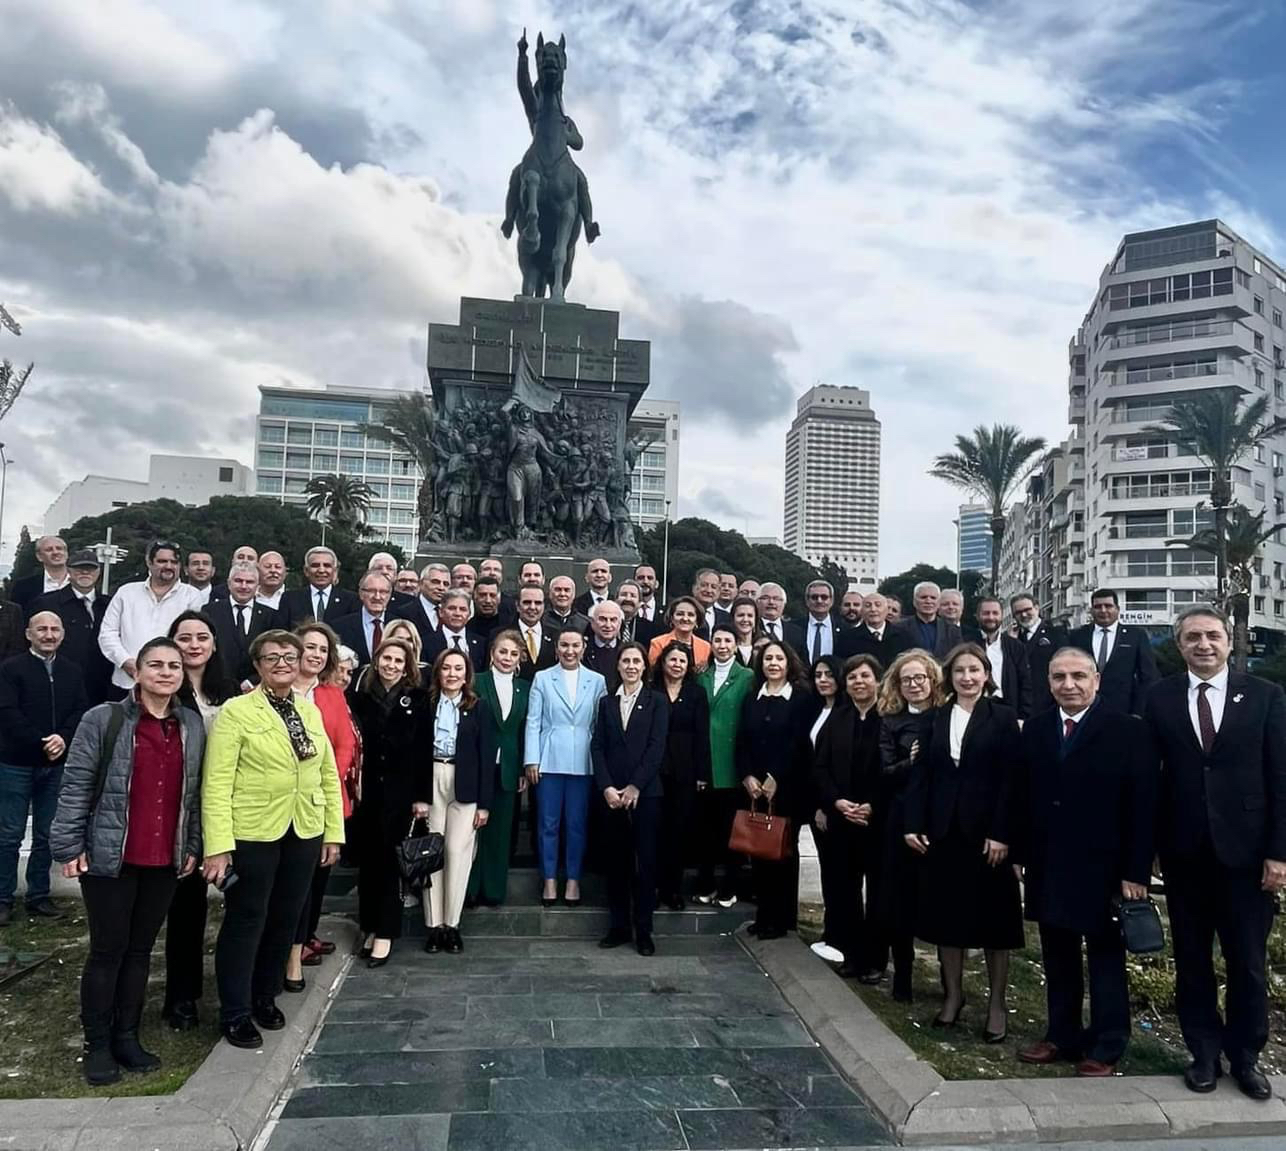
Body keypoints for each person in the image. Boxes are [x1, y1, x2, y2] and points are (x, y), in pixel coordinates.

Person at [1144, 605, 1286, 1100]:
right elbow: (1150, 779)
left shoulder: (1265, 696)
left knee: (1247, 962)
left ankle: (1246, 1057)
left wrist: (1279, 853)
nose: (1203, 645)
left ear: (1228, 641)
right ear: (1179, 645)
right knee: (1192, 960)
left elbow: (1281, 777)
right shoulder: (1159, 697)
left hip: (1248, 857)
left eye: (1212, 636)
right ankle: (1203, 1053)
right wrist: (1150, 849)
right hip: (1184, 854)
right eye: (1192, 638)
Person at [50, 637, 204, 1085]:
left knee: (140, 951)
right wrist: (68, 846)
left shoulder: (190, 725)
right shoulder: (104, 719)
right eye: (156, 664)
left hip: (163, 859)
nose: (166, 673)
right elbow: (77, 784)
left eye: (174, 666)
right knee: (107, 951)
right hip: (110, 857)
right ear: (138, 670)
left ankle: (126, 1036)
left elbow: (194, 794)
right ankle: (97, 1044)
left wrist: (192, 845)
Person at [1014, 647, 1157, 1077]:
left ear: (1096, 680)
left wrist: (1136, 870)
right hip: (1049, 862)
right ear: (1049, 682)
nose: (1069, 685)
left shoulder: (1128, 730)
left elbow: (1143, 805)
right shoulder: (1037, 729)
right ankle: (1062, 1035)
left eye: (1078, 676)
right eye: (1059, 677)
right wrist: (1021, 852)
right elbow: (1022, 794)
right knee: (1057, 955)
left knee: (1105, 958)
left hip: (1105, 867)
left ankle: (1107, 1045)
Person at [201, 630, 344, 1049]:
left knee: (285, 917)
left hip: (304, 829)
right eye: (272, 658)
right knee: (247, 918)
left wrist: (332, 831)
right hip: (254, 830)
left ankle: (264, 995)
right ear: (258, 665)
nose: (282, 664)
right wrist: (218, 846)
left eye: (289, 657)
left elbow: (327, 774)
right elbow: (217, 781)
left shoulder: (308, 711)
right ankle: (235, 1010)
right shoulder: (237, 711)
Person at [903, 643, 1023, 1040]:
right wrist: (913, 823)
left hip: (988, 836)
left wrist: (1002, 833)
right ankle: (953, 996)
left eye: (974, 670)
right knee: (947, 920)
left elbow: (1011, 780)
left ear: (986, 675)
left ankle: (997, 1005)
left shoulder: (1002, 718)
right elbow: (921, 774)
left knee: (995, 923)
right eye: (959, 671)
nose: (967, 677)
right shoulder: (935, 718)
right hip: (944, 834)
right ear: (949, 677)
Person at [160, 611, 237, 1031]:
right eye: (184, 637)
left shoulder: (230, 691)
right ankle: (182, 996)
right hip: (183, 810)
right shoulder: (165, 691)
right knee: (185, 908)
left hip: (227, 808)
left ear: (213, 644)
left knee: (237, 905)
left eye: (202, 637)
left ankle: (235, 990)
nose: (193, 645)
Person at [0, 611, 88, 924]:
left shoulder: (72, 670)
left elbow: (80, 709)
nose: (48, 635)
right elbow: (7, 712)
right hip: (16, 763)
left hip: (56, 766)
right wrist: (41, 741)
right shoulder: (10, 669)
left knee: (46, 835)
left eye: (54, 629)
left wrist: (63, 738)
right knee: (9, 835)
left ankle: (38, 896)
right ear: (28, 634)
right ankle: (2, 898)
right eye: (42, 629)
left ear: (62, 634)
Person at [347, 637, 430, 966]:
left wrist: (422, 797)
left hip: (401, 796)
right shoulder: (359, 697)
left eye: (398, 661)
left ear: (407, 666)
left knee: (390, 866)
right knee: (368, 865)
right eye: (386, 659)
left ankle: (385, 932)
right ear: (376, 661)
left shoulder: (418, 700)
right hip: (366, 795)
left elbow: (424, 749)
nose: (391, 666)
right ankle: (369, 926)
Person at [287, 622, 358, 985]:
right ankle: (291, 947)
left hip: (324, 796)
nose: (315, 655)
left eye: (322, 650)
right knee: (294, 881)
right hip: (283, 799)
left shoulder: (332, 694)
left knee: (319, 875)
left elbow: (345, 744)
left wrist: (327, 778)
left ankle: (306, 936)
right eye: (310, 647)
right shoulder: (275, 689)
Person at [875, 649, 944, 1002]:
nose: (914, 685)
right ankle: (902, 974)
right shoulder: (890, 721)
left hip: (940, 818)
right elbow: (884, 772)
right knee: (898, 900)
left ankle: (950, 984)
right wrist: (910, 761)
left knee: (940, 899)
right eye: (907, 680)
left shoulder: (947, 716)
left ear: (932, 680)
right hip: (900, 818)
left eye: (920, 678)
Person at [593, 642, 668, 955]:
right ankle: (619, 926)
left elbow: (656, 747)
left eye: (637, 661)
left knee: (645, 863)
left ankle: (644, 930)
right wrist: (607, 787)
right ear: (618, 665)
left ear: (644, 666)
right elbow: (598, 746)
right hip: (612, 795)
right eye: (626, 661)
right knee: (616, 862)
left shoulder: (657, 701)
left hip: (645, 794)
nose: (631, 666)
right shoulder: (606, 702)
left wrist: (635, 786)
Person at [813, 654, 884, 979]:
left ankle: (875, 960)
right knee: (846, 891)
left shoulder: (889, 717)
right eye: (852, 677)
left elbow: (895, 769)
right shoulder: (838, 718)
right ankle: (853, 954)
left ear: (877, 680)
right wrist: (837, 802)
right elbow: (821, 766)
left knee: (878, 893)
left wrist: (872, 804)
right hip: (843, 817)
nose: (858, 682)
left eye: (865, 676)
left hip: (877, 819)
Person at [524, 629, 607, 906]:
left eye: (575, 645)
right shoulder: (543, 678)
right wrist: (532, 759)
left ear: (583, 648)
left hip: (584, 760)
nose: (570, 651)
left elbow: (601, 722)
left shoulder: (597, 680)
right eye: (564, 645)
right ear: (556, 648)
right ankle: (549, 878)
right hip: (549, 759)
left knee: (576, 824)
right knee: (548, 823)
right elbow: (533, 721)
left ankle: (573, 879)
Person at [738, 640, 813, 939]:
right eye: (768, 658)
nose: (773, 663)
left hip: (786, 789)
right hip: (755, 789)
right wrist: (747, 775)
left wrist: (776, 777)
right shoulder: (752, 697)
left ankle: (782, 920)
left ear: (788, 662)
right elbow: (742, 739)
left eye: (779, 658)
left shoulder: (801, 698)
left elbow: (799, 743)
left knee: (783, 854)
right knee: (759, 853)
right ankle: (764, 915)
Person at [421, 647, 494, 954]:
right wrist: (418, 795)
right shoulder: (426, 704)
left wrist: (484, 804)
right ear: (438, 672)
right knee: (433, 852)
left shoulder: (478, 707)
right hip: (432, 777)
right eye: (446, 668)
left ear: (467, 675)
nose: (452, 674)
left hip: (465, 784)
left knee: (457, 852)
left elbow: (487, 756)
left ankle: (452, 924)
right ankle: (434, 925)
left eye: (458, 669)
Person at [467, 629, 530, 908]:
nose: (507, 657)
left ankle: (493, 890)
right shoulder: (476, 681)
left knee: (500, 832)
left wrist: (522, 768)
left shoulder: (525, 687)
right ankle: (469, 889)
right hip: (477, 766)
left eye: (513, 654)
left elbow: (524, 730)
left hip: (508, 768)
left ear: (520, 659)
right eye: (502, 651)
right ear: (492, 653)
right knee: (471, 831)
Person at [695, 623, 755, 906]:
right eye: (717, 640)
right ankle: (706, 885)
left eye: (727, 641)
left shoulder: (747, 676)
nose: (722, 646)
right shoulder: (701, 676)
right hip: (707, 762)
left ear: (735, 644)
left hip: (733, 762)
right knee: (706, 831)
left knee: (732, 831)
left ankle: (730, 888)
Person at [98, 540, 204, 695]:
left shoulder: (192, 596)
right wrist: (125, 662)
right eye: (162, 561)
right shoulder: (126, 593)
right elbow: (107, 634)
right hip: (126, 683)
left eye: (174, 562)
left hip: (170, 684)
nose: (168, 566)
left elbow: (192, 639)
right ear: (149, 562)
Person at [653, 641, 712, 910]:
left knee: (678, 831)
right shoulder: (651, 690)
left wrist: (702, 773)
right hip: (655, 769)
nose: (677, 665)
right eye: (672, 659)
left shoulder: (696, 693)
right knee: (655, 830)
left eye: (682, 661)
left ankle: (672, 890)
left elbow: (702, 735)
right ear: (663, 662)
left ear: (688, 666)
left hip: (686, 771)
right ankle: (653, 888)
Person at [32, 548, 114, 705]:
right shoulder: (46, 603)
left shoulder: (110, 605)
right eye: (79, 568)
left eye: (90, 568)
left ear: (99, 571)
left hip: (102, 686)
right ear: (68, 570)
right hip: (59, 684)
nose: (85, 572)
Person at [803, 654, 844, 962]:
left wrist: (825, 806)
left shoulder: (844, 713)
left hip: (834, 805)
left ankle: (840, 936)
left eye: (829, 674)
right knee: (829, 872)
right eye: (818, 675)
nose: (823, 680)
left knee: (839, 874)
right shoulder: (817, 709)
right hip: (816, 800)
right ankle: (832, 932)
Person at [1071, 588, 1159, 715]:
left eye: (1108, 606)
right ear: (1091, 610)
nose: (1103, 610)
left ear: (1117, 609)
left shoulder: (1136, 636)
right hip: (1083, 709)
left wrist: (1138, 711)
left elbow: (1148, 676)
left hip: (1123, 710)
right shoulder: (1077, 636)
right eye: (1098, 607)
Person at [207, 561, 279, 690]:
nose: (243, 586)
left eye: (249, 582)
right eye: (238, 581)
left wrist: (254, 680)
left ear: (258, 586)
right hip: (216, 686)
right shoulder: (210, 611)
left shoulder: (270, 616)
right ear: (229, 583)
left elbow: (273, 653)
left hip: (256, 687)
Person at [965, 596, 1032, 721]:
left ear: (1002, 616)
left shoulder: (1016, 646)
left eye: (995, 613)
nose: (991, 617)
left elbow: (1025, 683)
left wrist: (1023, 716)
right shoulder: (967, 644)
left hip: (1007, 710)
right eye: (986, 613)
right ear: (978, 616)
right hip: (974, 710)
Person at [1010, 592, 1067, 715]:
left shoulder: (1056, 633)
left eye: (1027, 610)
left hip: (1048, 705)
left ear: (1036, 608)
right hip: (1020, 708)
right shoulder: (1012, 639)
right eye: (1018, 612)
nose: (1023, 615)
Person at [277, 547, 360, 629]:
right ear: (306, 571)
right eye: (315, 566)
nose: (321, 570)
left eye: (327, 566)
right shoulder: (290, 599)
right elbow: (282, 632)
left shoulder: (351, 600)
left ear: (334, 571)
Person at [333, 572, 394, 667]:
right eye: (371, 591)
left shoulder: (398, 625)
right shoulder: (339, 627)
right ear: (361, 594)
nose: (377, 597)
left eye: (383, 592)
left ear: (389, 595)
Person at [890, 581, 962, 660]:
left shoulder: (952, 630)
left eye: (933, 598)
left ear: (939, 602)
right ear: (914, 601)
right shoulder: (898, 628)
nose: (928, 601)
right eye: (923, 597)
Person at [837, 591, 907, 668]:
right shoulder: (847, 638)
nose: (873, 609)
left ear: (886, 610)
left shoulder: (903, 635)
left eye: (878, 605)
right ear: (862, 611)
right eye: (868, 606)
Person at [425, 588, 488, 669]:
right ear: (441, 612)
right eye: (452, 608)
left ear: (469, 614)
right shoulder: (426, 643)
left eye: (463, 609)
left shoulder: (482, 644)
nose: (457, 613)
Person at [388, 562, 451, 640]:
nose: (441, 587)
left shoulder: (452, 613)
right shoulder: (403, 613)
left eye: (446, 584)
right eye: (435, 582)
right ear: (421, 583)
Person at [647, 595, 711, 670]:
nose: (685, 618)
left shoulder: (706, 647)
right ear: (672, 618)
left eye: (691, 615)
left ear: (697, 620)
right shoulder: (658, 643)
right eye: (680, 614)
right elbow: (653, 672)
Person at [10, 535, 69, 613]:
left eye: (59, 548)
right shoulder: (23, 586)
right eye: (49, 550)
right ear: (39, 557)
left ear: (66, 553)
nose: (55, 552)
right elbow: (15, 616)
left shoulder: (80, 581)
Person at [785, 580, 838, 663]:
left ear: (831, 600)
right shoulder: (792, 627)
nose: (819, 601)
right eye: (814, 597)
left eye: (824, 597)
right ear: (807, 600)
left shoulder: (843, 629)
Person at [515, 585, 557, 679]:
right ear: (517, 606)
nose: (532, 607)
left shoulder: (556, 635)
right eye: (527, 602)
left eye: (538, 603)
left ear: (544, 606)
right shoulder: (502, 634)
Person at [583, 598, 624, 691]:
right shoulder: (582, 651)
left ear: (620, 623)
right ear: (592, 622)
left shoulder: (626, 652)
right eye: (603, 619)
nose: (608, 625)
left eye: (613, 620)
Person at [614, 579, 659, 648]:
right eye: (623, 595)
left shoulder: (651, 629)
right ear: (616, 600)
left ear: (640, 602)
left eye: (633, 596)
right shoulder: (607, 624)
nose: (628, 599)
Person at [691, 568, 729, 639]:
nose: (709, 590)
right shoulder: (684, 614)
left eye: (713, 587)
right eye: (704, 585)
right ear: (694, 588)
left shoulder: (727, 618)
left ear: (719, 591)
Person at [729, 594, 763, 666]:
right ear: (733, 618)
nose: (745, 619)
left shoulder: (763, 647)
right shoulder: (726, 646)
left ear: (755, 619)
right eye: (741, 615)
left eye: (750, 616)